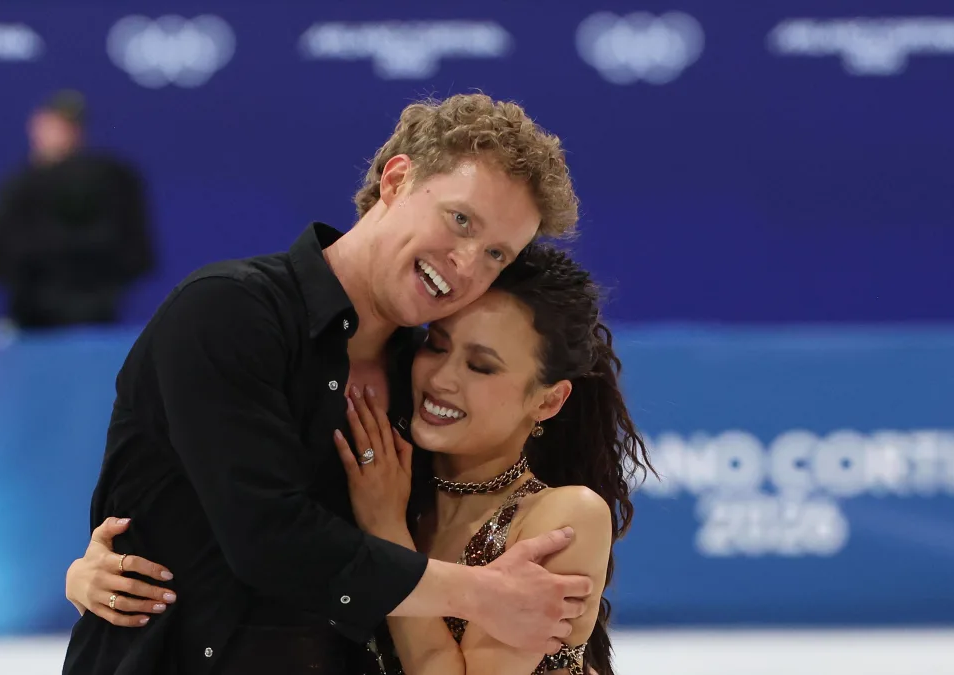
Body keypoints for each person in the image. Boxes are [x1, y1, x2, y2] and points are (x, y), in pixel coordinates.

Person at [60, 93, 587, 675]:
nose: (466, 264)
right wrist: (482, 594)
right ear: (396, 179)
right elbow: (267, 538)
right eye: (460, 219)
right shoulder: (227, 311)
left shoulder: (428, 379)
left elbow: (472, 527)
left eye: (495, 254)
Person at [69, 244, 653, 675]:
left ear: (549, 399)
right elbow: (263, 535)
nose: (441, 380)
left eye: (482, 367)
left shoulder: (563, 517)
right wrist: (93, 574)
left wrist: (384, 530)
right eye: (438, 345)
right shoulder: (390, 477)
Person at [0, 90, 154, 330]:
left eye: (66, 126)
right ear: (35, 126)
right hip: (31, 313)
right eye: (51, 125)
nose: (57, 133)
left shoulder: (110, 179)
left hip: (95, 310)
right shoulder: (17, 186)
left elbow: (132, 246)